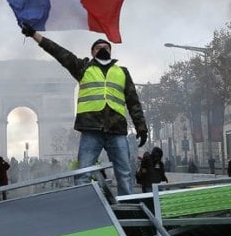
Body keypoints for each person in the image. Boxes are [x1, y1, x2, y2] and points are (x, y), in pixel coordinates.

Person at [20, 24, 148, 196]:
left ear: (110, 51)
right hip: (91, 129)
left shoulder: (123, 72)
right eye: (98, 47)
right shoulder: (82, 68)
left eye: (105, 47)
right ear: (92, 52)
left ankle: (129, 208)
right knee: (83, 173)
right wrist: (35, 34)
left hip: (116, 129)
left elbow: (133, 102)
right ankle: (84, 206)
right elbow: (59, 52)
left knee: (124, 173)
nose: (102, 48)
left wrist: (141, 126)